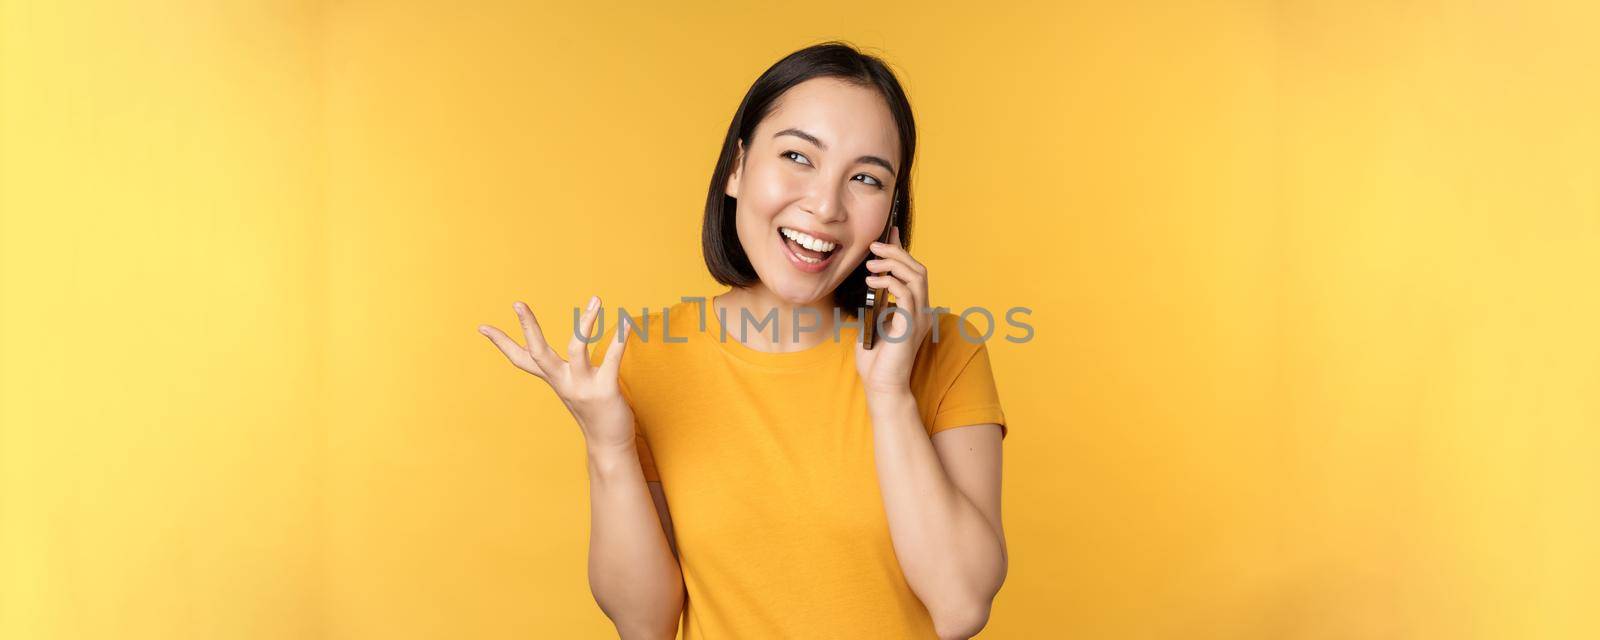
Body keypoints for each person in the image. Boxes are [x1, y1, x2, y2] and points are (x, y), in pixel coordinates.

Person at [478, 41, 1008, 640]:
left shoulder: (945, 351)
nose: (825, 205)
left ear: (890, 215)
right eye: (798, 157)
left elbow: (961, 607)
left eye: (865, 178)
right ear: (736, 168)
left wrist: (889, 395)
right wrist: (608, 444)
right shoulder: (649, 359)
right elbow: (645, 625)